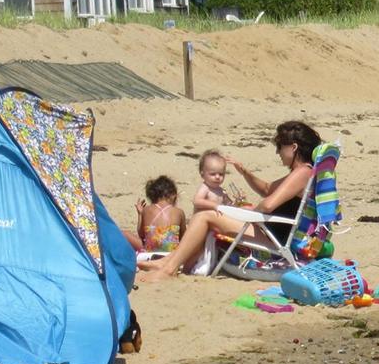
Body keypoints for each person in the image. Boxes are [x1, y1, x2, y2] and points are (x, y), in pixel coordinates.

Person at [136, 120, 321, 281]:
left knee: (204, 217)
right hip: (270, 230)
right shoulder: (303, 172)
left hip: (272, 237)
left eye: (280, 147)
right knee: (208, 216)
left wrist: (247, 213)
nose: (278, 152)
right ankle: (167, 262)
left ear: (293, 147)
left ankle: (169, 269)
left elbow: (268, 204)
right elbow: (266, 189)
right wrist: (245, 172)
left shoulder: (302, 172)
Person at [134, 175, 185, 255]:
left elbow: (141, 234)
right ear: (173, 195)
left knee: (125, 234)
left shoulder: (146, 210)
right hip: (171, 254)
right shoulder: (179, 212)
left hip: (150, 252)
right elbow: (183, 237)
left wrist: (140, 214)